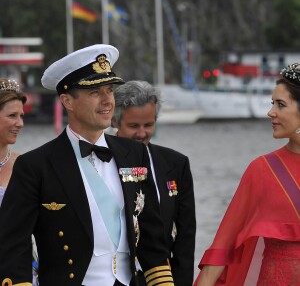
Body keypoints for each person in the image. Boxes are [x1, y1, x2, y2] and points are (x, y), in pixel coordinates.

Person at [0, 45, 174, 286]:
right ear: (67, 101)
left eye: (110, 90)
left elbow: (153, 238)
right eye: (95, 92)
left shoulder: (135, 154)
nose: (107, 101)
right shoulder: (35, 166)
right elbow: (13, 247)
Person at [194, 63, 300, 286]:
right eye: (273, 104)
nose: (270, 112)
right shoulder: (262, 169)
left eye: (281, 105)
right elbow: (224, 243)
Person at [112, 80, 196, 286]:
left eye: (148, 125)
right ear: (114, 121)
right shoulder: (100, 161)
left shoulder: (176, 163)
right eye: (133, 126)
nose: (142, 134)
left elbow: (186, 235)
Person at [0, 79, 39, 286]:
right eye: (12, 116)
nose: (20, 123)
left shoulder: (23, 165)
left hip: (18, 273)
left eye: (21, 116)